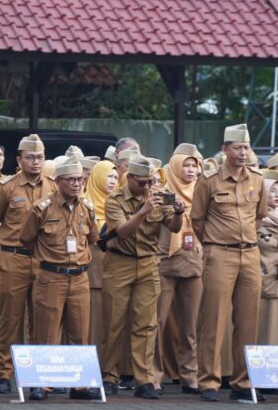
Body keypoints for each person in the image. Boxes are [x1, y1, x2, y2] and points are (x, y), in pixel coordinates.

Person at [190, 124, 267, 402]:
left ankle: (243, 381)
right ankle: (209, 381)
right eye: (238, 147)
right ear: (225, 150)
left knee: (248, 321)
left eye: (246, 147)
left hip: (250, 253)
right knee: (214, 319)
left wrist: (243, 239)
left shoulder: (258, 180)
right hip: (219, 253)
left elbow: (259, 217)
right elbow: (197, 221)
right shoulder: (208, 181)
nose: (243, 152)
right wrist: (214, 242)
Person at [101, 155, 184, 399]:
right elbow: (123, 232)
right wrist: (143, 210)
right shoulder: (115, 200)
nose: (147, 187)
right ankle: (109, 375)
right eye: (142, 183)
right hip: (119, 264)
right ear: (130, 179)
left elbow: (175, 227)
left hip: (148, 265)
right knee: (114, 323)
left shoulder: (160, 196)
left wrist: (178, 213)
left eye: (151, 182)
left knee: (146, 325)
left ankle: (144, 379)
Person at [20, 156, 100, 401]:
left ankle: (79, 385)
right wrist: (46, 258)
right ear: (58, 182)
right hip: (51, 276)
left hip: (79, 277)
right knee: (46, 330)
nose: (77, 184)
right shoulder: (42, 208)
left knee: (79, 330)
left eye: (80, 179)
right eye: (71, 180)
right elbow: (26, 238)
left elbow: (93, 238)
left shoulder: (87, 207)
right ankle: (41, 384)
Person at [0, 134, 57, 394]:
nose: (36, 162)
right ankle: (4, 373)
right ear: (19, 160)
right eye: (30, 157)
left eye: (40, 157)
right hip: (13, 259)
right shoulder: (7, 188)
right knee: (10, 318)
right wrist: (10, 243)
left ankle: (39, 378)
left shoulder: (53, 187)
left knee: (42, 320)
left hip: (43, 261)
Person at [154, 143, 203, 393]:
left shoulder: (203, 192)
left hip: (194, 260)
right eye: (186, 165)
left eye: (194, 165)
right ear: (174, 167)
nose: (191, 170)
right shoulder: (164, 192)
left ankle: (189, 375)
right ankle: (154, 374)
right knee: (158, 322)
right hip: (165, 262)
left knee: (190, 325)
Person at [84, 160, 118, 354]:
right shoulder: (84, 204)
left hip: (118, 271)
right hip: (93, 275)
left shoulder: (120, 204)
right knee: (93, 323)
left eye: (115, 176)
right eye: (108, 176)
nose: (112, 181)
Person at [256, 170, 278, 347]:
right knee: (260, 325)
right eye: (272, 191)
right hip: (261, 275)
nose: (277, 195)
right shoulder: (257, 219)